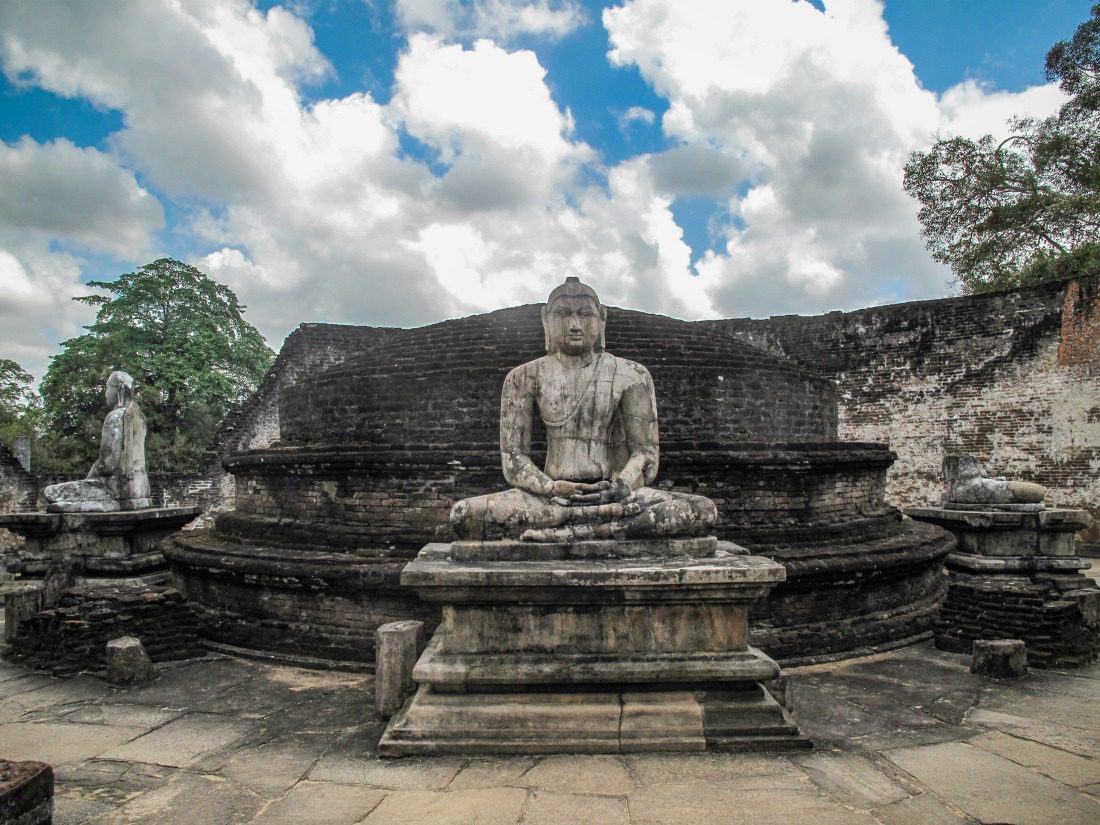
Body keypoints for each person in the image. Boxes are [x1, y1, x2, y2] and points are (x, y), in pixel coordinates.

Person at [451, 277, 716, 542]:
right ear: (545, 320)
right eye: (563, 314)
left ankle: (581, 530)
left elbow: (645, 454)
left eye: (585, 314)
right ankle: (598, 528)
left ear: (602, 319)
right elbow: (514, 457)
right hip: (550, 498)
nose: (574, 325)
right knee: (464, 514)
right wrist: (551, 487)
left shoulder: (632, 375)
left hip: (612, 495)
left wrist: (620, 487)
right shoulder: (523, 377)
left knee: (701, 510)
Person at [43, 371, 152, 512]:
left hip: (114, 488)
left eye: (108, 388)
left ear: (118, 390)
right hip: (141, 487)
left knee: (51, 492)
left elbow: (108, 465)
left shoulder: (115, 417)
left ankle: (100, 505)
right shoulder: (140, 418)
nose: (106, 394)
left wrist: (93, 472)